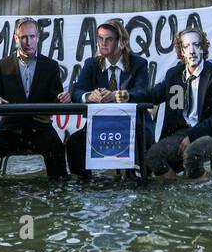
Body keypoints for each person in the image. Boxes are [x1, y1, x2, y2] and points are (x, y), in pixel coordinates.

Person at [143, 28, 212, 181]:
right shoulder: (174, 75)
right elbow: (153, 95)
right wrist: (125, 95)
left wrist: (192, 136)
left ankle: (201, 194)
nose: (192, 51)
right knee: (153, 156)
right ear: (182, 51)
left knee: (192, 153)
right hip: (183, 132)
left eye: (196, 45)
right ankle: (177, 192)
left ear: (203, 48)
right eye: (186, 46)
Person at [0, 17, 71, 182]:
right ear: (16, 38)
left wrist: (63, 98)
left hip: (40, 129)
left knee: (56, 148)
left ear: (38, 38)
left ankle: (58, 192)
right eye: (24, 37)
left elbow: (56, 98)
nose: (28, 42)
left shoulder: (50, 66)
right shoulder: (0, 66)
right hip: (10, 130)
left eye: (32, 37)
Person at [65, 19, 151, 178]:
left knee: (144, 138)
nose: (103, 43)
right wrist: (89, 96)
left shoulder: (138, 64)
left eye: (109, 39)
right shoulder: (92, 63)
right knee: (75, 142)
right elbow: (76, 91)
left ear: (122, 42)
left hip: (132, 125)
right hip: (100, 125)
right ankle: (83, 183)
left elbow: (143, 92)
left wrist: (118, 95)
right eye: (100, 38)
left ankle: (140, 182)